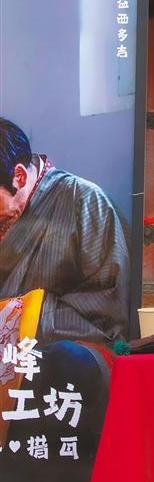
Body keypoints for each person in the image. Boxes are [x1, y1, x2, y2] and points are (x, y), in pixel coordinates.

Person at [0, 118, 130, 343]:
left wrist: (20, 317)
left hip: (60, 349)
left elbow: (107, 311)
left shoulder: (83, 201)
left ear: (19, 177)